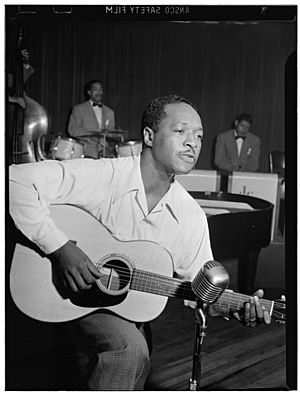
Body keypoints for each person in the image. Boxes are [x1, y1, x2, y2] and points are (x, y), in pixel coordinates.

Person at [9, 95, 271, 391]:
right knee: (130, 353)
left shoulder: (191, 216)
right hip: (61, 293)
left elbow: (202, 288)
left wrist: (236, 307)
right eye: (181, 131)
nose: (193, 143)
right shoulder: (105, 174)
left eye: (199, 135)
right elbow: (15, 180)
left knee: (135, 356)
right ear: (148, 135)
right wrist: (59, 247)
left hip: (124, 310)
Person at [68, 80, 115, 159]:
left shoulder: (110, 112)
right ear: (89, 92)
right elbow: (72, 130)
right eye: (95, 90)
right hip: (85, 152)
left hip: (105, 153)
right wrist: (92, 134)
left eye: (100, 89)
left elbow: (111, 133)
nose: (98, 92)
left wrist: (111, 136)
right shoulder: (78, 109)